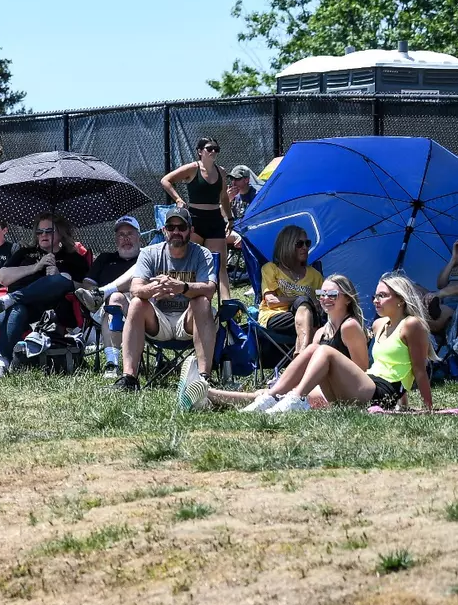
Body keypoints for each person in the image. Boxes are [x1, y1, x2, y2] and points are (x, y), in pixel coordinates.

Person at [242, 272, 432, 414]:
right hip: (367, 386)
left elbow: (418, 370)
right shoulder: (378, 324)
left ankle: (295, 399)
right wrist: (403, 403)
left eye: (382, 296)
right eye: (375, 296)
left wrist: (428, 409)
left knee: (324, 351)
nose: (375, 300)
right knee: (316, 348)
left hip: (380, 393)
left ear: (400, 299)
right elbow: (391, 366)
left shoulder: (412, 325)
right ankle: (271, 396)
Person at [198, 275, 369, 411]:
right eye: (321, 294)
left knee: (286, 393)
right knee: (272, 393)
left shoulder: (350, 326)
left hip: (349, 392)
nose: (325, 298)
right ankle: (209, 395)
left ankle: (209, 395)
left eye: (332, 294)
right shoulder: (321, 332)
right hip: (324, 387)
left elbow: (361, 370)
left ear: (347, 299)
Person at [112, 208, 216, 393]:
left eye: (181, 227)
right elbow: (135, 288)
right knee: (136, 302)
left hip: (189, 321)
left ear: (190, 230)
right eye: (171, 227)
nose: (176, 231)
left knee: (202, 302)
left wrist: (182, 287)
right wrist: (152, 289)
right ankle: (129, 378)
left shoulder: (202, 253)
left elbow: (210, 289)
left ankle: (203, 378)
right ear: (164, 230)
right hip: (158, 321)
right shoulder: (150, 253)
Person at [0, 213, 92, 379]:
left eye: (49, 231)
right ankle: (2, 362)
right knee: (18, 309)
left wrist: (57, 275)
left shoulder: (73, 257)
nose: (43, 235)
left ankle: (9, 300)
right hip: (24, 309)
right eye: (39, 232)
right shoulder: (24, 253)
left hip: (53, 310)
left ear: (61, 233)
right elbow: (3, 277)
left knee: (63, 279)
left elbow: (87, 287)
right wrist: (36, 267)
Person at [162, 136, 232, 299]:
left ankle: (228, 306)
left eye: (216, 149)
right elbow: (166, 180)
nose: (213, 151)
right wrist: (178, 199)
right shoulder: (193, 168)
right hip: (194, 219)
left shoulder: (221, 171)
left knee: (219, 264)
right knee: (189, 261)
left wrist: (230, 218)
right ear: (200, 151)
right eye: (209, 148)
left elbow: (224, 198)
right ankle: (182, 300)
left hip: (215, 219)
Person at [86, 215, 144, 373]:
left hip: (141, 305)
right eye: (121, 235)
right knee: (114, 300)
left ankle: (113, 363)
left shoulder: (146, 257)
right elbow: (88, 285)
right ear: (115, 240)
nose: (125, 239)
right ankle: (112, 363)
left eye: (130, 234)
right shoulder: (105, 258)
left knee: (115, 298)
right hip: (106, 308)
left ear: (139, 236)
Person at [258, 225, 323, 349]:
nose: (305, 247)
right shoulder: (271, 269)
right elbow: (272, 301)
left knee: (307, 311)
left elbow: (322, 302)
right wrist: (305, 299)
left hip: (310, 317)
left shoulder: (315, 275)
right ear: (286, 245)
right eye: (299, 244)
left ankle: (300, 354)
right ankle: (307, 355)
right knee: (304, 303)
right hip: (277, 316)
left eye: (307, 243)